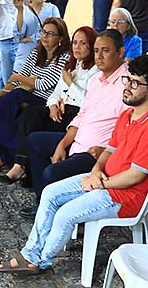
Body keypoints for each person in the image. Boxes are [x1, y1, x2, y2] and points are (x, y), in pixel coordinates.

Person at [0, 54, 148, 273]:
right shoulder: (128, 115)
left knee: (65, 214)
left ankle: (40, 261)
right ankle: (30, 253)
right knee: (50, 193)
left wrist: (100, 183)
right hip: (105, 180)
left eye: (135, 83)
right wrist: (96, 171)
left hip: (126, 196)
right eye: (127, 80)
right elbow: (109, 150)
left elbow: (136, 175)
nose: (127, 87)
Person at [23, 29, 129, 215]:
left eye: (105, 51)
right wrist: (62, 144)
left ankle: (51, 209)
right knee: (34, 140)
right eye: (96, 51)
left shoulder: (127, 84)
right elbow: (82, 115)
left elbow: (130, 129)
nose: (99, 56)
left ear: (120, 52)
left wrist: (107, 150)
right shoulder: (97, 79)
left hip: (96, 153)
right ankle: (44, 204)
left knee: (51, 172)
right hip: (78, 141)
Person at [5, 26, 98, 183]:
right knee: (30, 114)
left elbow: (86, 101)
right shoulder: (72, 66)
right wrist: (53, 106)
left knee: (33, 126)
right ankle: (20, 165)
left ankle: (27, 171)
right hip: (61, 110)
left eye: (83, 43)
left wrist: (70, 83)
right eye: (75, 42)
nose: (77, 47)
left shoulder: (95, 71)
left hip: (76, 116)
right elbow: (55, 93)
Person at [0, 17, 71, 171]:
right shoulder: (36, 53)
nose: (44, 36)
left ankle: (1, 156)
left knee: (14, 97)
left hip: (46, 101)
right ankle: (3, 158)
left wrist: (21, 78)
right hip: (27, 95)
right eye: (43, 32)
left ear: (60, 38)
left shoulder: (64, 57)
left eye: (50, 34)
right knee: (6, 107)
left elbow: (44, 84)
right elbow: (18, 79)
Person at [13, 0, 60, 71]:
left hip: (46, 59)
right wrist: (20, 11)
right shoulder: (22, 10)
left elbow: (56, 33)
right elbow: (19, 36)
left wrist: (31, 38)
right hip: (24, 59)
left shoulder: (52, 9)